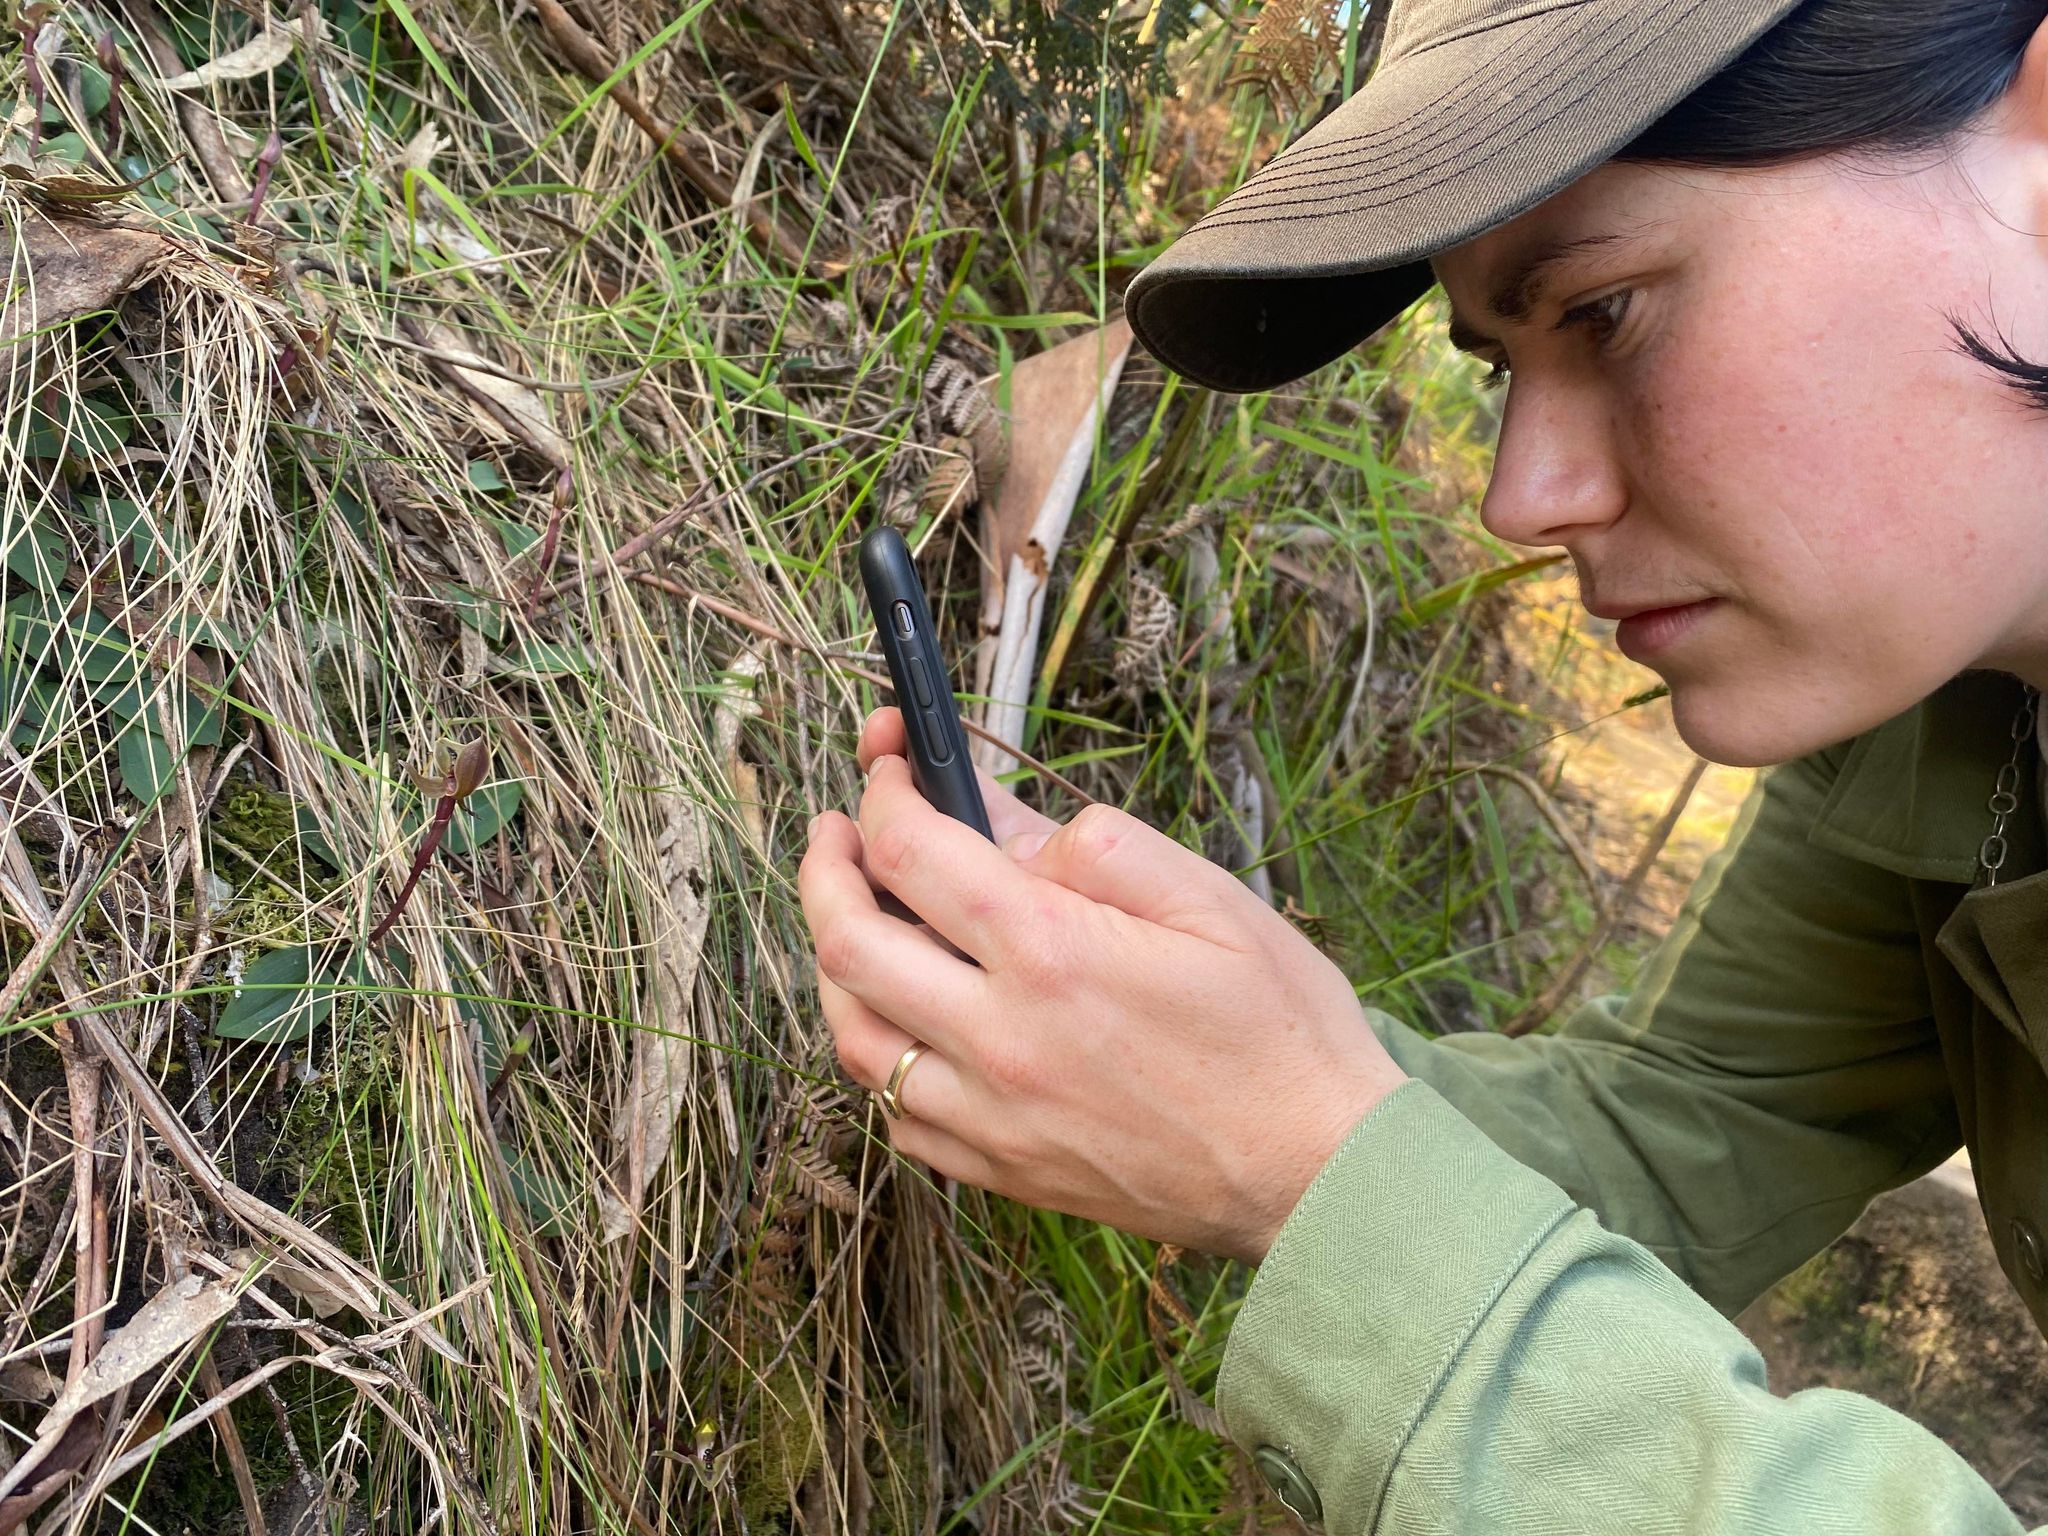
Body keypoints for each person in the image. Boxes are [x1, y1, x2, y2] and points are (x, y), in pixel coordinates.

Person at [797, 0, 2048, 1528]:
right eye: (1494, 370)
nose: (1524, 496)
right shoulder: (1959, 721)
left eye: (1606, 312)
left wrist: (1305, 1168)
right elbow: (1689, 1122)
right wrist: (1199, 1048)